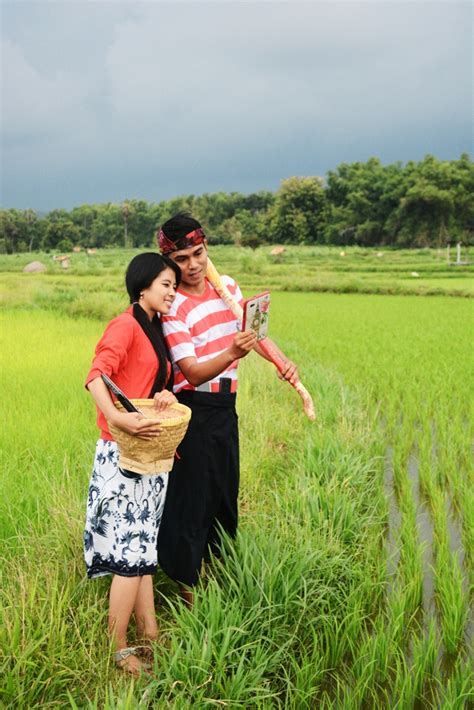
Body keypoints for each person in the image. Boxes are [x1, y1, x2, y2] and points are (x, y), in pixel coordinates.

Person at [156, 213, 297, 605]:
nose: (193, 265)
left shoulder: (228, 289)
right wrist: (232, 351)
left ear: (206, 250)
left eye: (197, 254)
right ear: (170, 261)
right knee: (192, 500)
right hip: (191, 411)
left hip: (224, 408)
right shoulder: (173, 304)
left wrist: (282, 363)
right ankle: (188, 590)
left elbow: (257, 336)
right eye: (181, 259)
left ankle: (218, 574)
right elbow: (192, 371)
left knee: (222, 492)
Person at [83, 252, 181, 676]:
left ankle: (151, 631)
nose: (172, 292)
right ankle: (118, 647)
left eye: (174, 285)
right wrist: (118, 417)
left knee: (142, 551)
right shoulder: (125, 325)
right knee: (128, 556)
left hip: (150, 457)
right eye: (166, 284)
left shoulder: (154, 328)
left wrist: (166, 396)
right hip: (124, 456)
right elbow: (96, 376)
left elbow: (154, 387)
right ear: (142, 285)